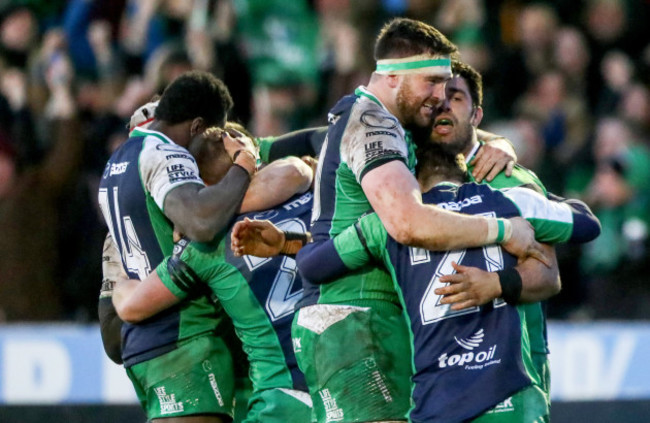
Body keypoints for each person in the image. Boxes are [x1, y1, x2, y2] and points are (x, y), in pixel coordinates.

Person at [290, 17, 546, 422]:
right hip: (358, 316)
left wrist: (496, 143)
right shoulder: (375, 125)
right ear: (393, 76)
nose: (440, 96)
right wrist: (502, 229)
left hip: (353, 317)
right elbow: (406, 222)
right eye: (431, 81)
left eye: (446, 85)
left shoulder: (374, 119)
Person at [232, 144, 600, 422]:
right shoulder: (512, 202)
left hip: (435, 399)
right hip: (508, 392)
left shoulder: (389, 224)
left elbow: (315, 265)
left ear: (409, 178)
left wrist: (285, 242)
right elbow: (587, 224)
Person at [111, 127, 316, 423]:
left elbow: (132, 307)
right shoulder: (313, 192)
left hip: (284, 397)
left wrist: (120, 282)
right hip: (342, 377)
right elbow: (302, 164)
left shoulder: (206, 245)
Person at [98, 70, 257, 422]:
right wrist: (245, 165)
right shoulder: (166, 152)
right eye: (215, 135)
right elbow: (201, 221)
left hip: (148, 345)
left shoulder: (116, 162)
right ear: (197, 126)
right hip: (184, 337)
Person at [428, 60, 559, 403]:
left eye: (455, 97)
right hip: (433, 374)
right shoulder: (402, 183)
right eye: (435, 98)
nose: (442, 105)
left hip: (512, 370)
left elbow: (548, 276)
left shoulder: (508, 178)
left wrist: (495, 284)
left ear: (476, 115)